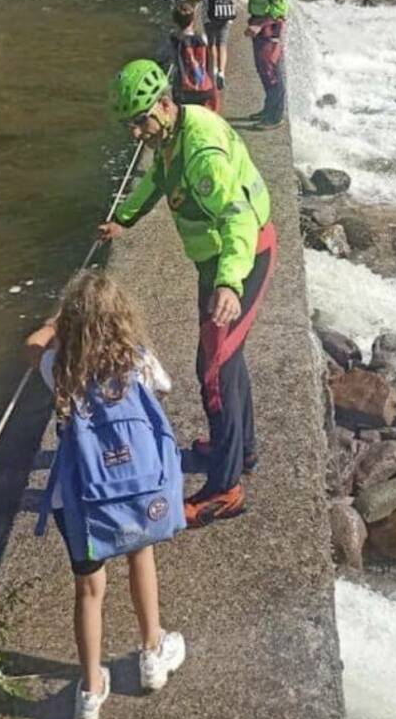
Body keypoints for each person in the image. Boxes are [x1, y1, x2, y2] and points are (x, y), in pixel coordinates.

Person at [99, 59, 277, 529]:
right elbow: (159, 178)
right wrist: (127, 218)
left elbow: (237, 217)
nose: (136, 133)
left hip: (241, 258)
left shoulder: (200, 153)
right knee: (227, 361)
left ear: (163, 104)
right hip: (218, 259)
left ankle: (226, 490)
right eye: (129, 125)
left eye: (140, 120)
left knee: (215, 369)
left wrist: (227, 284)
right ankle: (240, 449)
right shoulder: (172, 135)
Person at [25, 271, 186, 719]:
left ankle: (91, 692)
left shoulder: (58, 368)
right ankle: (152, 652)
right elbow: (165, 388)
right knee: (141, 556)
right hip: (134, 488)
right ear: (122, 318)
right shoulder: (139, 361)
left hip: (79, 498)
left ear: (73, 323)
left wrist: (56, 323)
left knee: (90, 590)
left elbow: (30, 344)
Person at [245, 0, 289, 130]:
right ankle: (268, 108)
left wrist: (260, 25)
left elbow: (279, 7)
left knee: (270, 69)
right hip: (260, 22)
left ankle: (275, 116)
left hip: (270, 26)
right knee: (262, 68)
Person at [189, 0, 237, 91]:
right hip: (225, 16)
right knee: (222, 44)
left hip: (209, 17)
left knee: (212, 44)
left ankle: (214, 70)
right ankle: (222, 72)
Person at [170, 0, 220, 113]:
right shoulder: (202, 38)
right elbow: (210, 62)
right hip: (203, 87)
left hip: (183, 89)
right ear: (193, 20)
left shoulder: (175, 40)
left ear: (175, 22)